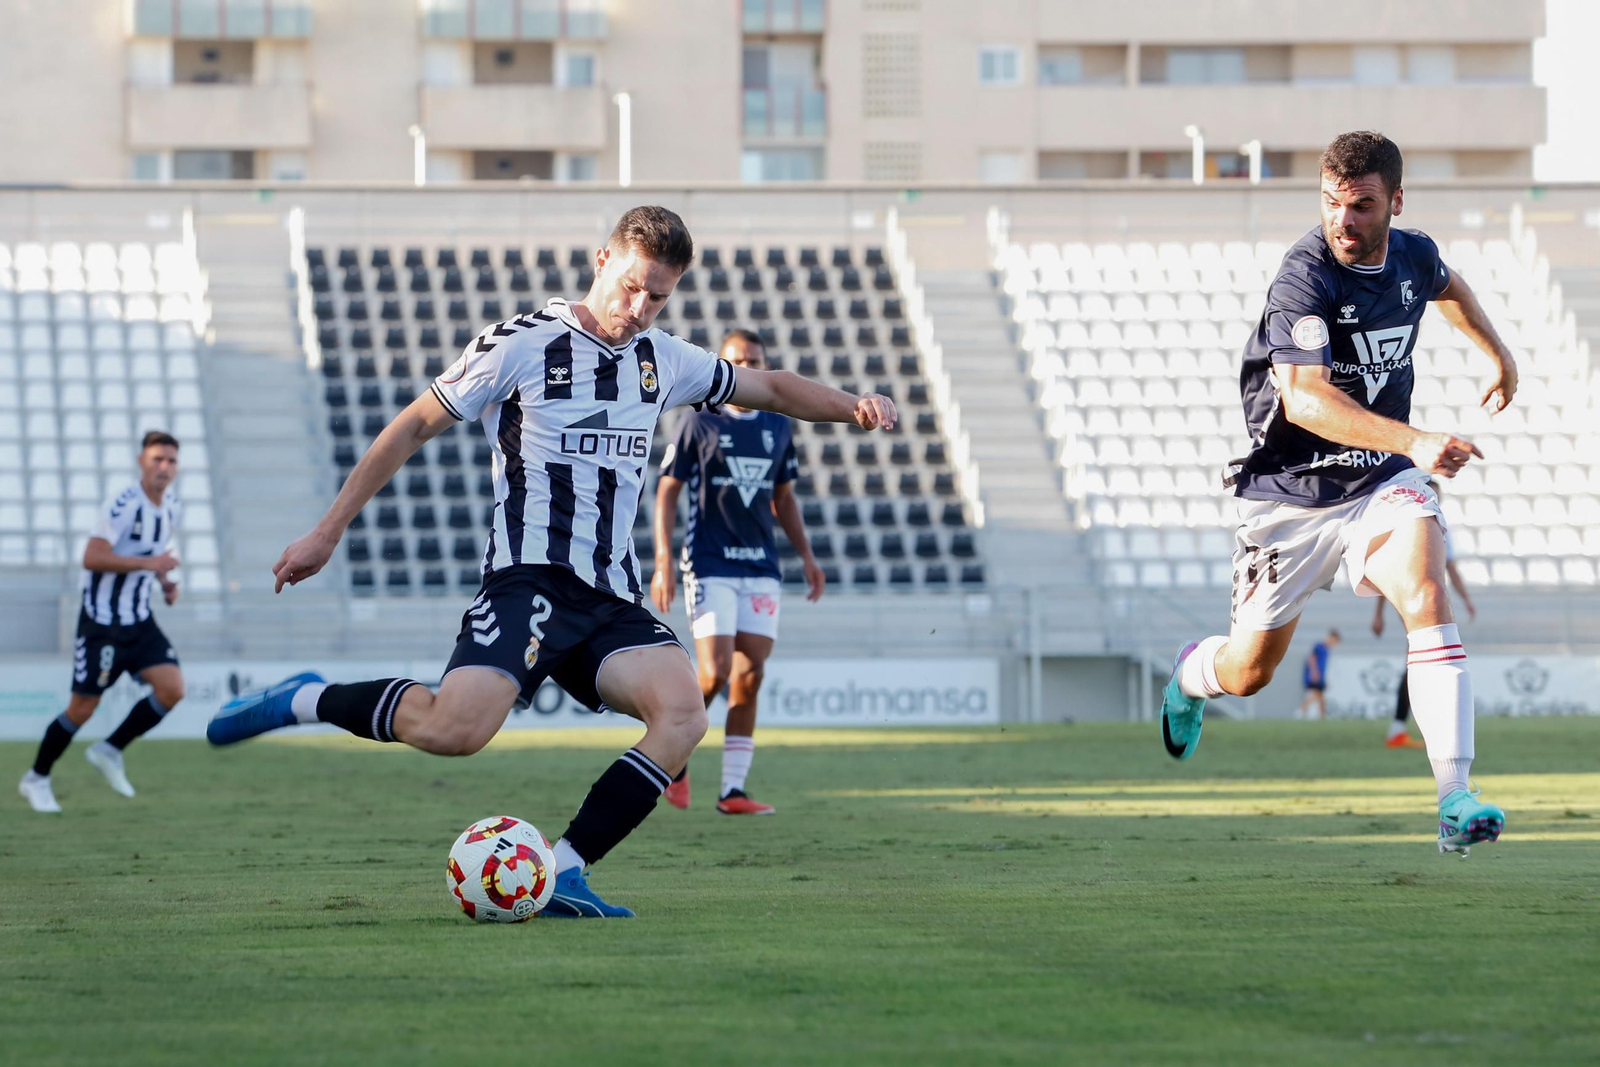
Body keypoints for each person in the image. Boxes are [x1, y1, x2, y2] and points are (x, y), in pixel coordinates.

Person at [206, 206, 896, 915]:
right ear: (602, 261)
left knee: (683, 714)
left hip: (610, 598)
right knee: (455, 731)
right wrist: (327, 531)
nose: (640, 307)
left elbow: (772, 388)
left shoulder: (664, 359)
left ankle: (563, 869)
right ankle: (305, 697)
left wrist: (855, 406)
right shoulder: (522, 343)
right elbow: (413, 425)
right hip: (528, 581)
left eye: (658, 296)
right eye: (631, 286)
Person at [1157, 131, 1519, 857]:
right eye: (1331, 203)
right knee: (1249, 673)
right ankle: (1191, 678)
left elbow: (1448, 286)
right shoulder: (1304, 278)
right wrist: (1414, 438)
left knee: (1427, 591)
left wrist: (1499, 354)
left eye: (1360, 206)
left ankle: (1454, 800)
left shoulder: (1412, 255)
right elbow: (1306, 400)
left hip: (1380, 480)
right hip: (1290, 495)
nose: (1342, 221)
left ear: (1395, 202)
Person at [651, 329, 824, 815]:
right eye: (738, 361)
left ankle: (732, 791)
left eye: (755, 360)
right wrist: (663, 560)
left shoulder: (778, 425)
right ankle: (676, 750)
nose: (748, 368)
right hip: (710, 562)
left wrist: (807, 557)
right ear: (723, 366)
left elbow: (783, 497)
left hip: (760, 565)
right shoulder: (699, 420)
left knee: (751, 673)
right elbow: (668, 490)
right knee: (717, 671)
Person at [19, 431, 186, 813]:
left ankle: (109, 750)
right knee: (82, 707)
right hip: (102, 623)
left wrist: (165, 582)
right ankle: (37, 778)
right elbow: (92, 557)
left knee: (172, 689)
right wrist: (150, 564)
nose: (164, 467)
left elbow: (154, 554)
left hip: (140, 620)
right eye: (157, 459)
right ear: (142, 461)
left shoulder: (172, 508)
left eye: (171, 461)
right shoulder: (123, 504)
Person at [1374, 479, 1475, 747]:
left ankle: (1404, 727)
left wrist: (1466, 599)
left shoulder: (1436, 524)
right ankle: (1412, 728)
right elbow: (1387, 570)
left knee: (1424, 661)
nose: (1433, 500)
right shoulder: (1409, 525)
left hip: (1427, 599)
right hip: (1413, 598)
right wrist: (1379, 613)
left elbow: (1451, 568)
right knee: (1428, 659)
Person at [1295, 629, 1340, 720]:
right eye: (1334, 640)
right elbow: (1311, 659)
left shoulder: (1327, 650)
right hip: (1315, 676)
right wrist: (1314, 673)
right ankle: (1301, 711)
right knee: (1317, 696)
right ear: (1331, 637)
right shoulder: (1319, 646)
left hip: (1320, 677)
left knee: (1321, 698)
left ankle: (1321, 717)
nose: (1334, 643)